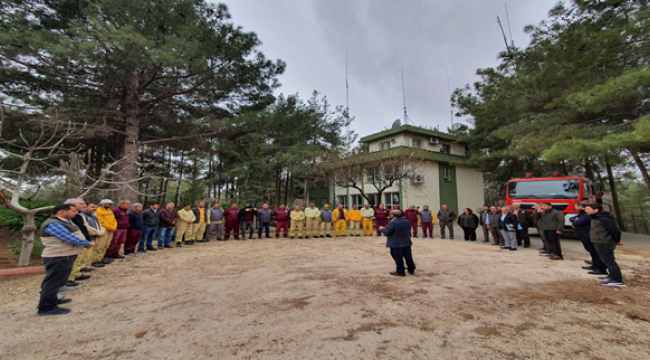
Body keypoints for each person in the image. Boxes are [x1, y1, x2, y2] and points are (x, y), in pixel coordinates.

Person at [37, 204, 93, 316]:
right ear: (62, 211)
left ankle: (52, 300)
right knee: (53, 282)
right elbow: (67, 237)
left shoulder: (64, 221)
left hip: (63, 255)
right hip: (58, 256)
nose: (76, 213)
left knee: (56, 280)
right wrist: (86, 243)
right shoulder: (53, 224)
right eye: (73, 210)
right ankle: (46, 307)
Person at [585, 203, 625, 287]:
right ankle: (611, 276)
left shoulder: (604, 219)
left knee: (610, 261)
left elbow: (614, 231)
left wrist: (617, 240)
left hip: (605, 243)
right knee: (605, 260)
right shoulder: (595, 218)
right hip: (599, 242)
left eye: (588, 209)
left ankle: (617, 280)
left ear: (596, 210)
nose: (586, 210)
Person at [63, 198, 93, 287]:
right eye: (81, 204)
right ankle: (69, 278)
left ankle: (76, 274)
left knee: (81, 260)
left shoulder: (79, 216)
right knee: (75, 261)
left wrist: (87, 240)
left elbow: (84, 228)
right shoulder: (68, 218)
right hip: (75, 243)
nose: (84, 205)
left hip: (84, 241)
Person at [571, 203, 607, 275]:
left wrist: (575, 221)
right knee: (591, 251)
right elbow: (572, 219)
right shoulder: (584, 214)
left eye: (588, 209)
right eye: (586, 209)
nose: (586, 210)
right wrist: (575, 220)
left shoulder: (589, 216)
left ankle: (600, 268)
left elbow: (578, 222)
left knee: (595, 252)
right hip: (584, 234)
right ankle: (595, 265)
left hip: (588, 235)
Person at [380, 210, 416, 277]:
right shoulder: (406, 221)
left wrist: (382, 229)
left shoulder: (392, 222)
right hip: (406, 241)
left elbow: (388, 232)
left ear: (392, 215)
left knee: (397, 257)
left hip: (395, 242)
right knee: (408, 256)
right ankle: (411, 269)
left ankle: (400, 271)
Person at [81, 202, 107, 268]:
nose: (95, 208)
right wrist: (98, 233)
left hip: (96, 236)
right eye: (92, 207)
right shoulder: (82, 216)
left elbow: (100, 225)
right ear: (86, 207)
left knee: (95, 250)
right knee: (84, 254)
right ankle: (81, 268)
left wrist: (101, 232)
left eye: (96, 207)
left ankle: (96, 261)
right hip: (88, 237)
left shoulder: (93, 215)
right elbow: (86, 227)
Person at [95, 199, 117, 264]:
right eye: (109, 204)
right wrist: (112, 228)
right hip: (104, 230)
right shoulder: (98, 211)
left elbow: (114, 220)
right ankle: (95, 260)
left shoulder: (110, 211)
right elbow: (102, 222)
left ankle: (101, 258)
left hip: (110, 231)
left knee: (106, 245)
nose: (111, 205)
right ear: (103, 204)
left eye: (111, 204)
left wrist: (114, 227)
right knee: (100, 246)